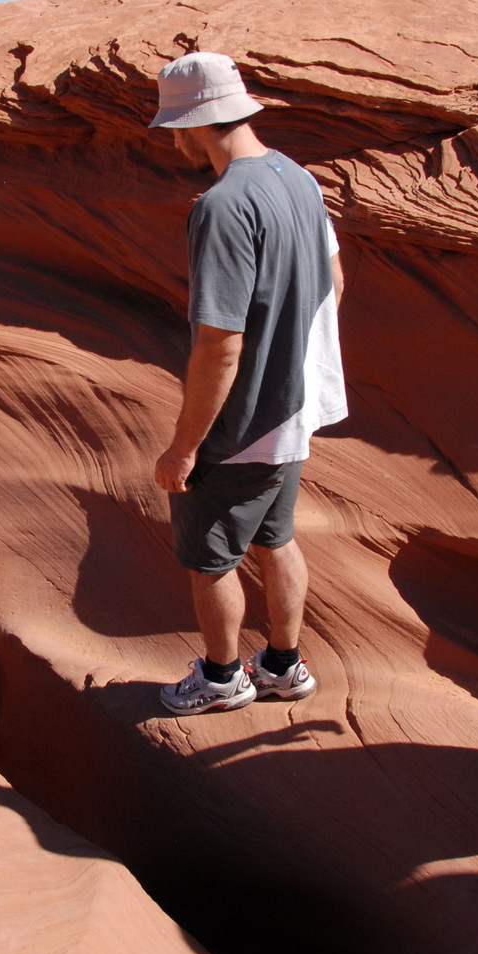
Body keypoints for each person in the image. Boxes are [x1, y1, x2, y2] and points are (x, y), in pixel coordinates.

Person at [147, 50, 348, 716]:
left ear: (189, 124)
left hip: (242, 425)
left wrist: (184, 448)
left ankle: (223, 678)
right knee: (275, 537)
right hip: (294, 410)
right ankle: (285, 669)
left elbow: (220, 345)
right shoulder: (297, 179)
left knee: (211, 560)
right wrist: (295, 363)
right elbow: (334, 283)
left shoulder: (223, 205)